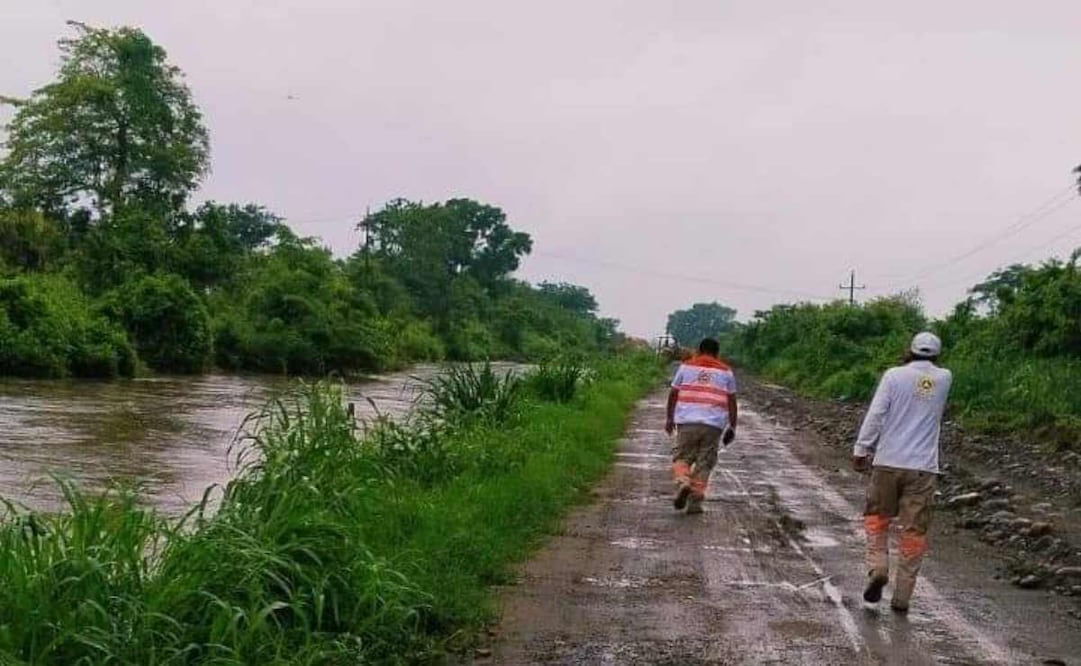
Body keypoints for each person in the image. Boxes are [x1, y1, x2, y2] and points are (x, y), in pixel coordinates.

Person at [853, 331, 953, 613]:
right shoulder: (945, 378)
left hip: (887, 461)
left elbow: (876, 414)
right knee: (913, 531)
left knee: (877, 520)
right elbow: (927, 383)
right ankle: (902, 598)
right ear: (936, 354)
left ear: (910, 350)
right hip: (922, 468)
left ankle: (878, 569)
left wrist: (862, 449)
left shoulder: (893, 376)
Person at [665, 338, 738, 515]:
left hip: (687, 422)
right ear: (717, 353)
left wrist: (669, 418)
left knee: (682, 458)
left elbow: (673, 393)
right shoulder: (726, 372)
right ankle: (695, 503)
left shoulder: (685, 367)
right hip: (713, 425)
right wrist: (732, 427)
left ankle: (683, 482)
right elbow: (732, 401)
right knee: (705, 463)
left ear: (699, 350)